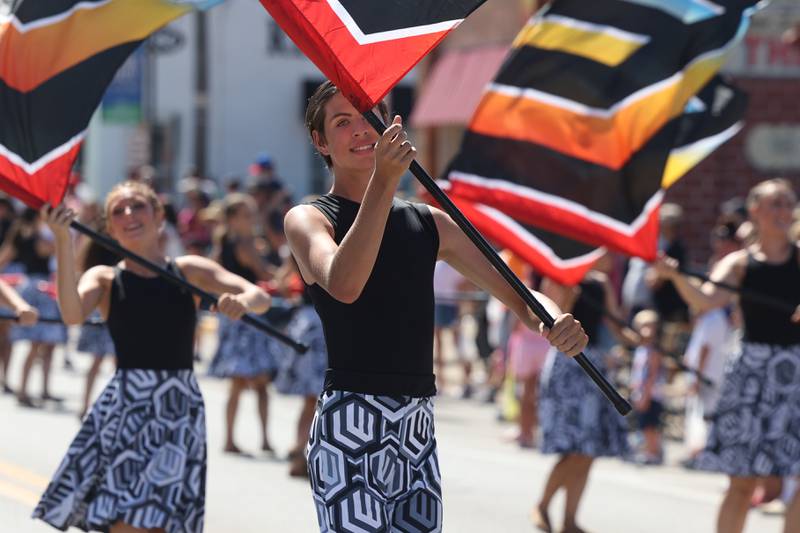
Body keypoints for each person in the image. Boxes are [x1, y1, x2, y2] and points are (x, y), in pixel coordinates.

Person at [285, 81, 587, 533]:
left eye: (368, 117)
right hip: (349, 418)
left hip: (417, 424)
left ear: (390, 126)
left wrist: (552, 319)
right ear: (320, 141)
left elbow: (517, 293)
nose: (360, 131)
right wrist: (385, 182)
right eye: (341, 122)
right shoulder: (310, 219)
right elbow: (344, 284)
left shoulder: (429, 224)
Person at [32, 181, 270, 533]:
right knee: (125, 522)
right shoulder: (105, 277)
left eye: (138, 206)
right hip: (128, 405)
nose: (129, 215)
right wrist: (64, 242)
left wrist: (242, 304)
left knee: (162, 524)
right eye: (119, 210)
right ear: (110, 228)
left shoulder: (188, 269)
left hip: (178, 409)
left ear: (158, 216)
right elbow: (71, 314)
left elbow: (258, 297)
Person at [654, 178, 800, 533]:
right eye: (774, 203)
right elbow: (705, 301)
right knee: (742, 480)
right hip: (752, 373)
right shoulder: (739, 264)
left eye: (787, 203)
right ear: (755, 211)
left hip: (795, 372)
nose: (783, 211)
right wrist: (674, 276)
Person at [532, 264, 637, 533]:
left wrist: (638, 340)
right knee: (574, 447)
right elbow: (545, 316)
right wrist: (569, 290)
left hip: (593, 363)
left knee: (588, 450)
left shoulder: (601, 282)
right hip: (566, 365)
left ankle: (569, 520)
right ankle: (542, 505)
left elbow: (614, 323)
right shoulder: (562, 273)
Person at [207, 193, 279, 454]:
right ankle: (265, 439)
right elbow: (265, 275)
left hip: (231, 318)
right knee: (259, 383)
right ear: (234, 219)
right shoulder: (245, 245)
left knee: (237, 384)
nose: (253, 219)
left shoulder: (223, 243)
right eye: (247, 215)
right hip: (248, 317)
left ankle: (229, 438)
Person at [0, 207, 67, 407]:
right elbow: (51, 250)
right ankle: (26, 389)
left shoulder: (19, 235)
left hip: (29, 287)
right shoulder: (36, 236)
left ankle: (31, 388)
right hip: (40, 289)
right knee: (39, 344)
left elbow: (4, 257)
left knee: (41, 344)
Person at [629, 309, 666, 465]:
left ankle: (653, 452)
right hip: (641, 392)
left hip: (651, 393)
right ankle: (648, 449)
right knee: (644, 424)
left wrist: (646, 394)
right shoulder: (641, 349)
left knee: (650, 425)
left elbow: (651, 374)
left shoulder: (653, 351)